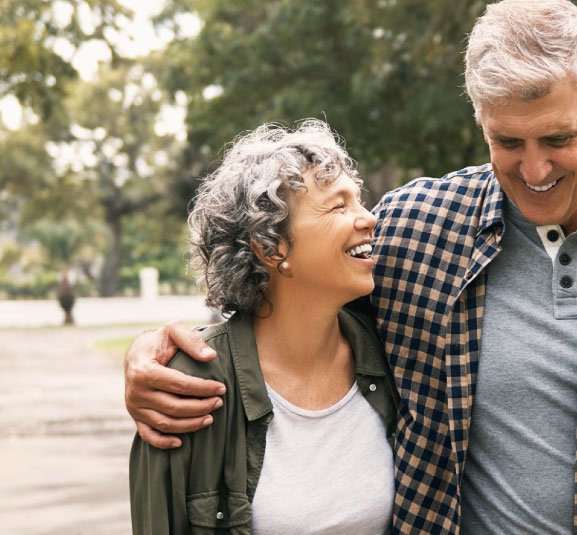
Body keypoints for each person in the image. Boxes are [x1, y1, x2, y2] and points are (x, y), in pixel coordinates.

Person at [125, 1, 577, 533]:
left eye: (558, 139)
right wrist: (157, 354)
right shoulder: (417, 227)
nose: (533, 170)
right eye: (508, 142)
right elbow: (289, 303)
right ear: (480, 121)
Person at [128, 120, 399, 534]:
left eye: (359, 201)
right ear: (270, 247)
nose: (368, 219)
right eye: (338, 206)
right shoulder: (185, 391)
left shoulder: (393, 354)